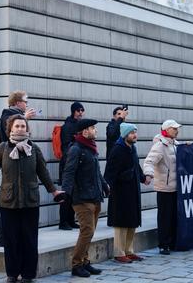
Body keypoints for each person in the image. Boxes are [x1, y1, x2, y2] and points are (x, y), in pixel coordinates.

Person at [0, 115, 63, 283]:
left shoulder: (34, 148)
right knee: (11, 240)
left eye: (23, 126)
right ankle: (12, 273)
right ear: (10, 129)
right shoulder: (3, 148)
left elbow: (43, 172)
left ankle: (28, 274)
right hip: (8, 201)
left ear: (27, 129)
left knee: (29, 239)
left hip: (30, 201)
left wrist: (54, 191)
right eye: (17, 126)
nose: (20, 128)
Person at [62, 118, 109, 278]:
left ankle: (85, 262)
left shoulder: (91, 148)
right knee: (87, 231)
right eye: (93, 128)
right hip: (82, 198)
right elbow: (69, 172)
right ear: (85, 131)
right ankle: (76, 265)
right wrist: (65, 193)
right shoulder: (76, 149)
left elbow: (96, 171)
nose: (95, 130)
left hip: (95, 196)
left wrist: (104, 185)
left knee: (90, 232)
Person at [0, 91, 38, 247]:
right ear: (18, 102)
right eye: (25, 101)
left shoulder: (16, 114)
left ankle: (5, 238)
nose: (27, 104)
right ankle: (2, 239)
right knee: (9, 201)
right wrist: (24, 118)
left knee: (13, 201)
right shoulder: (8, 114)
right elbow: (8, 136)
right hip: (11, 162)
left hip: (19, 160)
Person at [104, 123, 146, 264]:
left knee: (132, 221)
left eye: (135, 132)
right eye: (132, 133)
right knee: (121, 222)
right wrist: (107, 186)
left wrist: (143, 178)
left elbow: (136, 165)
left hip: (133, 190)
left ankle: (129, 250)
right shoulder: (118, 149)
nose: (135, 135)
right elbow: (110, 171)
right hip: (120, 191)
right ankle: (119, 252)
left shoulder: (132, 148)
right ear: (125, 135)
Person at [143, 120, 181, 255]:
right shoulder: (160, 146)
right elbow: (149, 161)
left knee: (174, 217)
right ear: (167, 130)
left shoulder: (176, 145)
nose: (177, 131)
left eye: (177, 128)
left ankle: (173, 242)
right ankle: (163, 245)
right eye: (174, 129)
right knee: (165, 217)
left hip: (177, 187)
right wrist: (148, 174)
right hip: (164, 188)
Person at [58, 102, 85, 230]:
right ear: (73, 111)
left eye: (82, 110)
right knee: (66, 194)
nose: (81, 112)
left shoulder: (79, 125)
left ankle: (70, 220)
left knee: (73, 194)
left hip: (75, 164)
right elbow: (65, 146)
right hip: (67, 164)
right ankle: (63, 222)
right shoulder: (68, 126)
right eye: (79, 110)